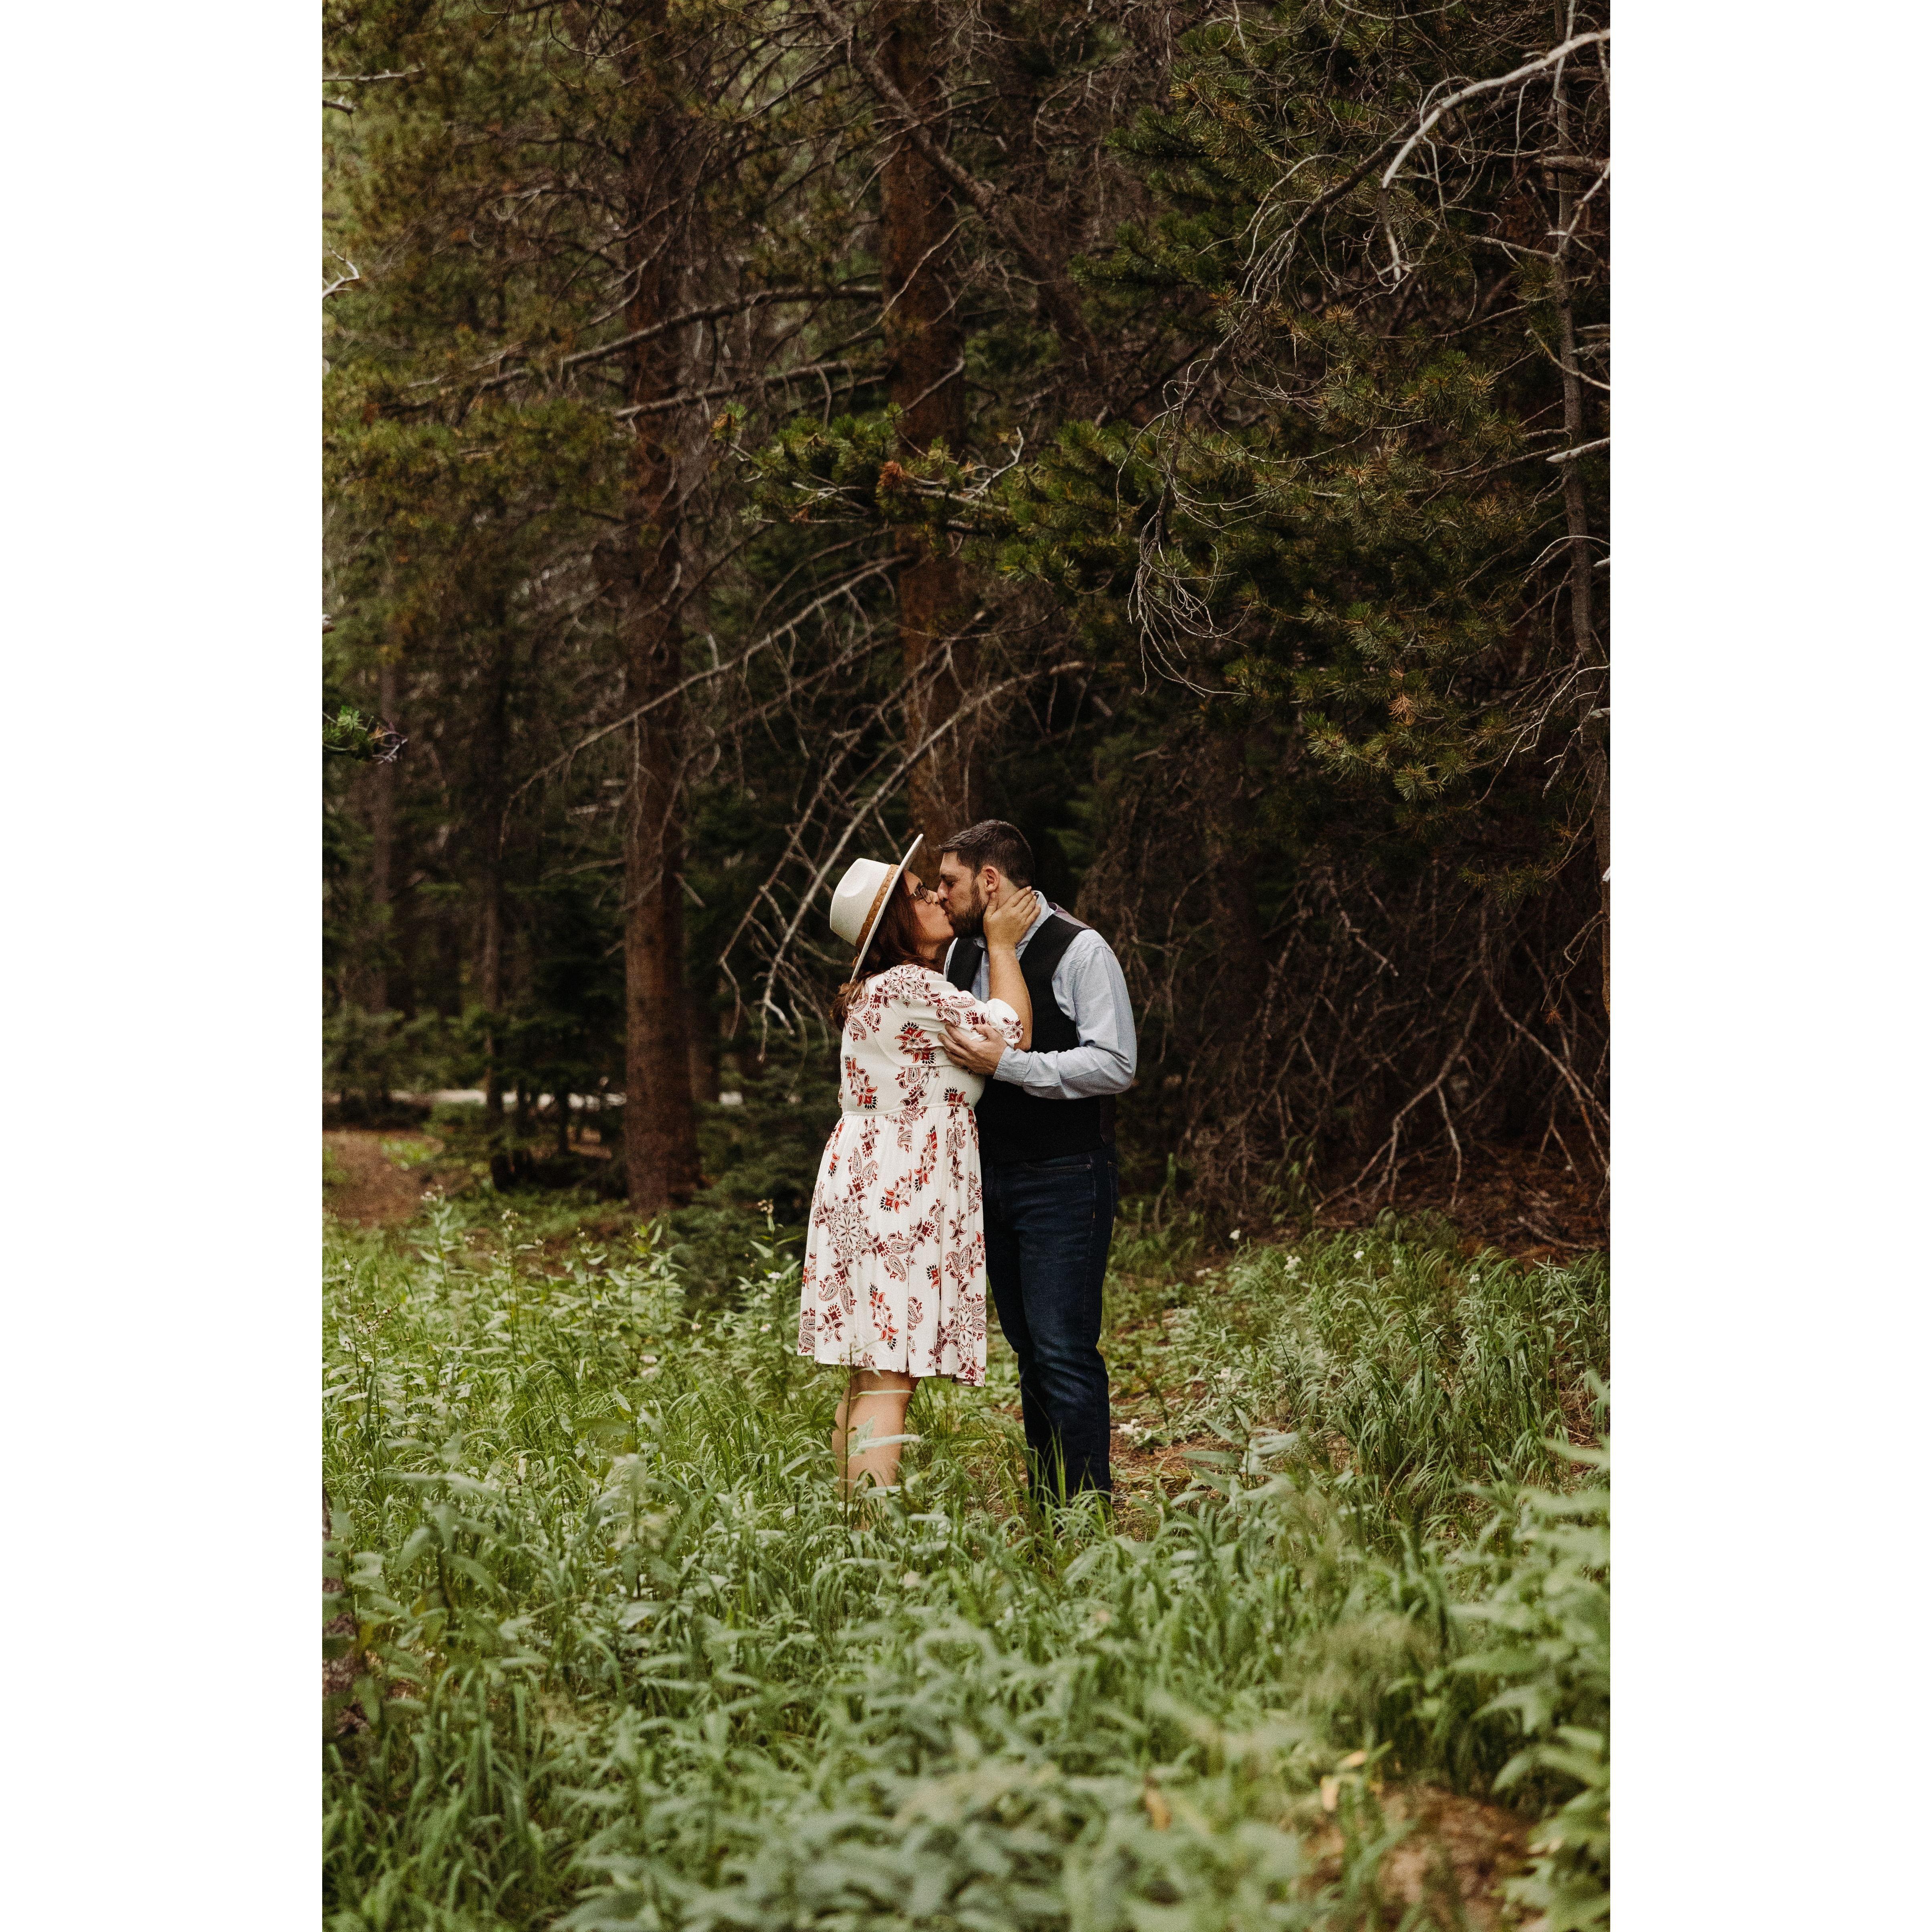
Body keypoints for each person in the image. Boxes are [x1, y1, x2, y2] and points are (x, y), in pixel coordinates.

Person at [797, 834, 1043, 1495]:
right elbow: (1009, 1035)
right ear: (894, 923)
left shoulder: (877, 989)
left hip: (866, 1180)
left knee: (869, 1373)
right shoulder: (909, 982)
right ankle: (868, 1544)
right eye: (917, 892)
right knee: (887, 1379)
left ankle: (850, 1529)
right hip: (897, 1191)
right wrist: (999, 945)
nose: (934, 893)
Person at [933, 820, 1137, 1504]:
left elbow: (1115, 1063)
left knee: (1063, 1351)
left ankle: (1089, 1516)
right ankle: (1050, 1513)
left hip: (1064, 1177)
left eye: (950, 882)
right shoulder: (963, 957)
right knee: (1028, 1351)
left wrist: (1013, 1065)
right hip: (990, 1180)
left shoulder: (1081, 950)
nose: (942, 896)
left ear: (989, 882)